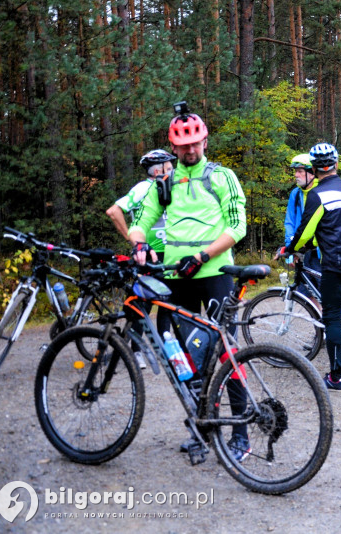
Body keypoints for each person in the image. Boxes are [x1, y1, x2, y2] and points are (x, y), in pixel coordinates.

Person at [128, 102, 250, 460]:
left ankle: (241, 434)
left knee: (228, 354)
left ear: (205, 142)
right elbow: (143, 218)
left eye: (196, 143)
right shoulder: (164, 182)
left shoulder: (222, 176)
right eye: (183, 145)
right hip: (175, 279)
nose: (190, 149)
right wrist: (137, 242)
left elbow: (237, 226)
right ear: (174, 147)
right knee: (184, 359)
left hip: (215, 276)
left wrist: (202, 256)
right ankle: (202, 428)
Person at [282, 142, 341, 391]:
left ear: (314, 168)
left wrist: (290, 249)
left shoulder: (317, 194)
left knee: (331, 317)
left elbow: (305, 231)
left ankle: (337, 377)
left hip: (335, 265)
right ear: (336, 164)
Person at [106, 149, 175, 369]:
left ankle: (164, 346)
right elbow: (114, 211)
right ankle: (136, 352)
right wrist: (132, 239)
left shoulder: (172, 186)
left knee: (167, 301)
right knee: (141, 303)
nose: (173, 168)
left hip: (170, 254)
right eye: (169, 165)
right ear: (158, 169)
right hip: (148, 255)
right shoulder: (143, 188)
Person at [275, 154, 321, 292]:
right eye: (295, 171)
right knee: (306, 295)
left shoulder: (322, 192)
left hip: (322, 253)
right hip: (303, 252)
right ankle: (315, 315)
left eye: (300, 171)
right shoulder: (295, 194)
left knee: (324, 296)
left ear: (312, 173)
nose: (296, 175)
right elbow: (289, 223)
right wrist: (291, 248)